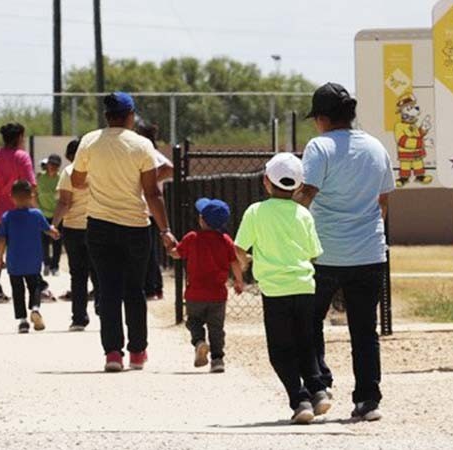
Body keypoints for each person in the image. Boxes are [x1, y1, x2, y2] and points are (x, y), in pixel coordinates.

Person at [295, 82, 394, 422]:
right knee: (365, 330)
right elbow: (382, 202)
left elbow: (307, 193)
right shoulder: (376, 147)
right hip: (369, 252)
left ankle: (319, 384)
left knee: (309, 322)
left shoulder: (319, 147)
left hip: (323, 252)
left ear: (322, 118)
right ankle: (368, 399)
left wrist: (292, 231)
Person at [72, 92, 177, 372]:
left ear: (106, 116)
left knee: (107, 290)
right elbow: (152, 192)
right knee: (134, 290)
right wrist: (165, 229)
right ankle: (138, 351)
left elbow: (77, 180)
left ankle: (113, 353)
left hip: (99, 224)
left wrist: (97, 181)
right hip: (135, 226)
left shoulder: (89, 141)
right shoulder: (142, 145)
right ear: (130, 115)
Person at [234, 153, 332, 425]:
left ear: (266, 182)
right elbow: (314, 252)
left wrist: (247, 264)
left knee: (280, 350)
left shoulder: (255, 211)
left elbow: (239, 248)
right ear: (299, 187)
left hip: (275, 290)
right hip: (304, 287)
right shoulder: (304, 214)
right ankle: (319, 390)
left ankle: (299, 400)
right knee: (306, 343)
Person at [170, 198, 242, 374]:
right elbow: (235, 263)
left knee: (193, 322)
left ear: (202, 220)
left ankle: (199, 341)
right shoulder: (225, 240)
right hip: (218, 295)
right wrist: (239, 281)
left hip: (195, 294)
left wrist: (171, 247)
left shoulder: (192, 238)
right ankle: (217, 360)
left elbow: (176, 254)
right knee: (216, 328)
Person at [0, 123, 37, 304]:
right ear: (20, 137)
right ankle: (32, 287)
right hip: (17, 213)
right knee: (22, 249)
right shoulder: (22, 157)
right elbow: (30, 184)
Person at [0, 180, 60, 334]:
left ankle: (23, 321)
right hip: (33, 261)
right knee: (35, 286)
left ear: (11, 197)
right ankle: (35, 308)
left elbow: (2, 239)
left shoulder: (7, 217)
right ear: (31, 196)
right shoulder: (36, 215)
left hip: (14, 262)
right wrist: (54, 232)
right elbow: (47, 229)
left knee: (17, 290)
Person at [52, 140, 99, 331]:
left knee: (78, 274)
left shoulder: (69, 172)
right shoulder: (98, 170)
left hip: (73, 229)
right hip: (98, 225)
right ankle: (103, 308)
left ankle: (79, 318)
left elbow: (65, 203)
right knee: (100, 272)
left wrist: (52, 225)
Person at [135, 120, 174, 300]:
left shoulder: (149, 152)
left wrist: (148, 181)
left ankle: (152, 287)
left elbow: (169, 169)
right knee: (147, 251)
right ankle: (153, 286)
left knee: (147, 252)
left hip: (148, 209)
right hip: (145, 209)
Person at [37, 154, 63, 277]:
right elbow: (35, 194)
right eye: (51, 164)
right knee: (44, 242)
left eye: (55, 165)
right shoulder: (40, 177)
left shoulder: (61, 178)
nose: (52, 167)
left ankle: (55, 266)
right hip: (43, 214)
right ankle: (46, 264)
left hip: (57, 215)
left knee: (57, 241)